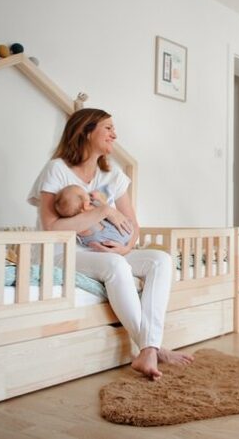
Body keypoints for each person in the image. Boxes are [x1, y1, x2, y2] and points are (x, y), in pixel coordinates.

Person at [27, 108, 193, 380]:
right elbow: (52, 228)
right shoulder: (56, 170)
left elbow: (133, 226)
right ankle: (153, 347)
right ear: (86, 131)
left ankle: (149, 348)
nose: (115, 134)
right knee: (115, 265)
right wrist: (104, 211)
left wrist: (126, 248)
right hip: (63, 252)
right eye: (108, 128)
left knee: (161, 260)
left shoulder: (112, 175)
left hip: (107, 251)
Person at [54, 185, 131, 248]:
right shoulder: (94, 210)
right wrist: (100, 199)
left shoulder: (76, 225)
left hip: (108, 244)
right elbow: (109, 211)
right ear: (85, 205)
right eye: (85, 193)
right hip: (121, 233)